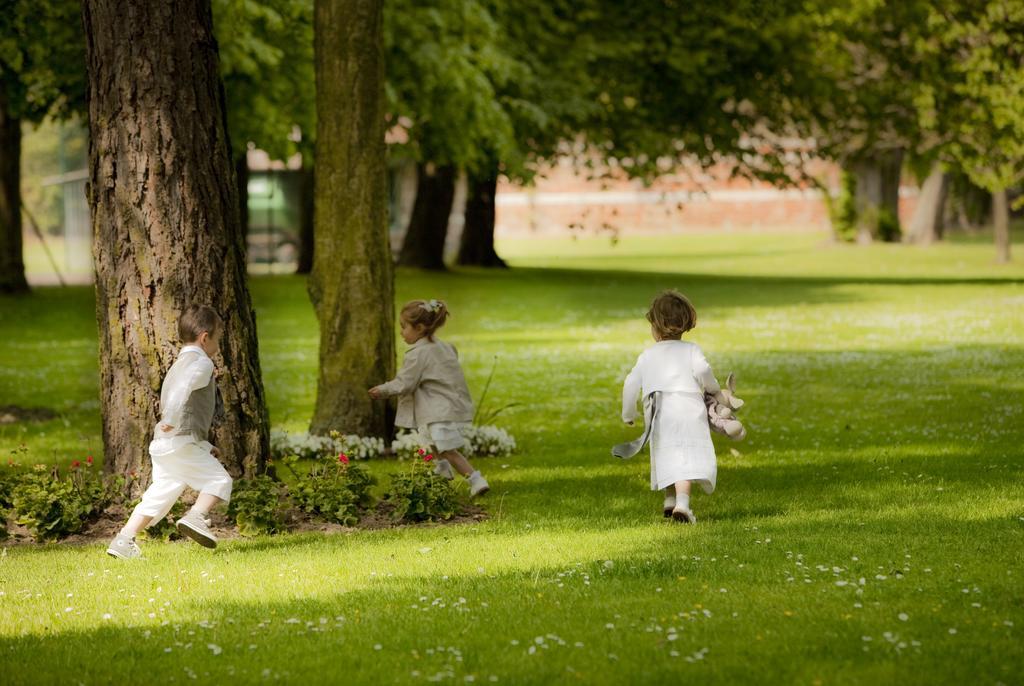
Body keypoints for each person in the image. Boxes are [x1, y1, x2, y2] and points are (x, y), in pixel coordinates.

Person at [106, 305, 233, 559]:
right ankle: (196, 517)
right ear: (205, 337)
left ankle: (124, 540)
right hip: (179, 439)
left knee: (161, 493)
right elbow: (182, 394)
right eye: (218, 339)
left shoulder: (178, 364)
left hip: (166, 443)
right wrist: (172, 419)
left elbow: (184, 404)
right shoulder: (201, 363)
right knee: (220, 480)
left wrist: (205, 446)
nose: (218, 346)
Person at [620, 290, 725, 523]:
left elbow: (631, 383)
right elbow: (703, 372)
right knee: (684, 453)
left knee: (667, 450)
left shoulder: (648, 355)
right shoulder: (691, 350)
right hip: (687, 407)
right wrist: (713, 389)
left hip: (658, 410)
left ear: (655, 326)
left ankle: (670, 500)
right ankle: (682, 505)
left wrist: (628, 413)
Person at [370, 299, 489, 496]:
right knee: (432, 441)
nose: (401, 332)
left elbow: (405, 382)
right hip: (445, 405)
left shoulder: (418, 354)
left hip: (438, 410)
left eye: (404, 327)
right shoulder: (446, 347)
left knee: (448, 448)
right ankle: (442, 472)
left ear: (420, 328)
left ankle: (476, 479)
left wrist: (382, 390)